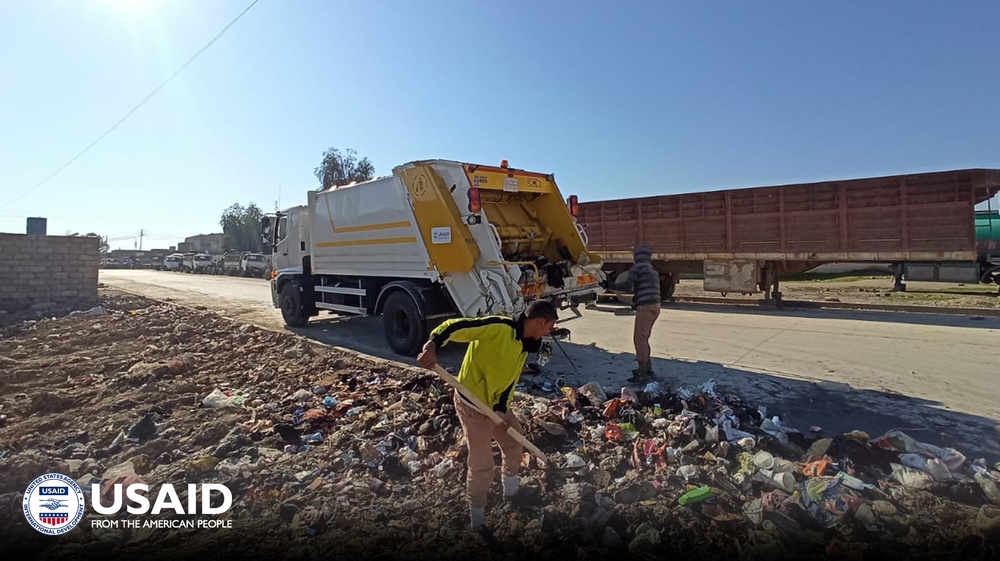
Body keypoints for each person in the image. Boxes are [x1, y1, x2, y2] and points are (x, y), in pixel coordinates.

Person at [417, 300, 558, 536]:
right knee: (482, 464)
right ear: (539, 322)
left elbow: (510, 380)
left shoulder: (526, 344)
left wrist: (501, 408)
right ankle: (477, 522)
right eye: (549, 326)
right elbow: (454, 326)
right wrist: (432, 344)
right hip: (472, 405)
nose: (549, 332)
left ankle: (511, 493)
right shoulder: (499, 328)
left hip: (494, 406)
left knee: (514, 442)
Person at [628, 244, 661, 383]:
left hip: (645, 307)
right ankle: (647, 369)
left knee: (639, 339)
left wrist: (609, 284)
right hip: (655, 306)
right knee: (644, 337)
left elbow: (627, 285)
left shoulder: (638, 267)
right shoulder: (651, 269)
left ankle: (642, 374)